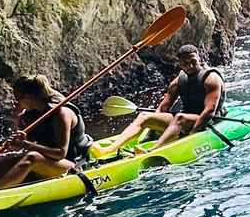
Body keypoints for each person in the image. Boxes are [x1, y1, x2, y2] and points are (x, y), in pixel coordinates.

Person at [92, 44, 228, 157]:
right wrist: (152, 128)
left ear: (199, 58)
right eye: (185, 63)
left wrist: (191, 136)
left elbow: (209, 111)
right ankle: (109, 149)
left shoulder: (211, 79)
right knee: (144, 116)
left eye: (193, 61)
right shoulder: (178, 82)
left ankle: (151, 151)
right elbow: (163, 108)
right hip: (186, 118)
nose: (190, 66)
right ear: (180, 64)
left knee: (180, 117)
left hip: (209, 119)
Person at [0, 75, 93, 191]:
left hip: (73, 164)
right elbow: (31, 142)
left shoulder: (61, 114)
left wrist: (25, 144)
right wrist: (17, 118)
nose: (16, 103)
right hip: (50, 161)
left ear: (28, 97)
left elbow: (60, 153)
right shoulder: (33, 112)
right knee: (2, 160)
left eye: (18, 99)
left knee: (32, 157)